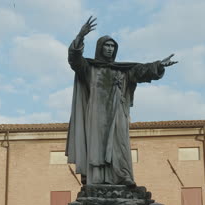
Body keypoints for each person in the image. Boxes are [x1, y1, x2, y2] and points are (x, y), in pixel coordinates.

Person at [65, 16, 177, 186]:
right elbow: (74, 59)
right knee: (97, 145)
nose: (109, 49)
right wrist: (81, 36)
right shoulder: (90, 68)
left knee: (121, 144)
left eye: (112, 46)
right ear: (100, 48)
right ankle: (97, 179)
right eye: (106, 46)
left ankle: (123, 176)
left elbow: (141, 71)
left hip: (118, 112)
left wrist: (158, 65)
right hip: (97, 114)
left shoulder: (123, 71)